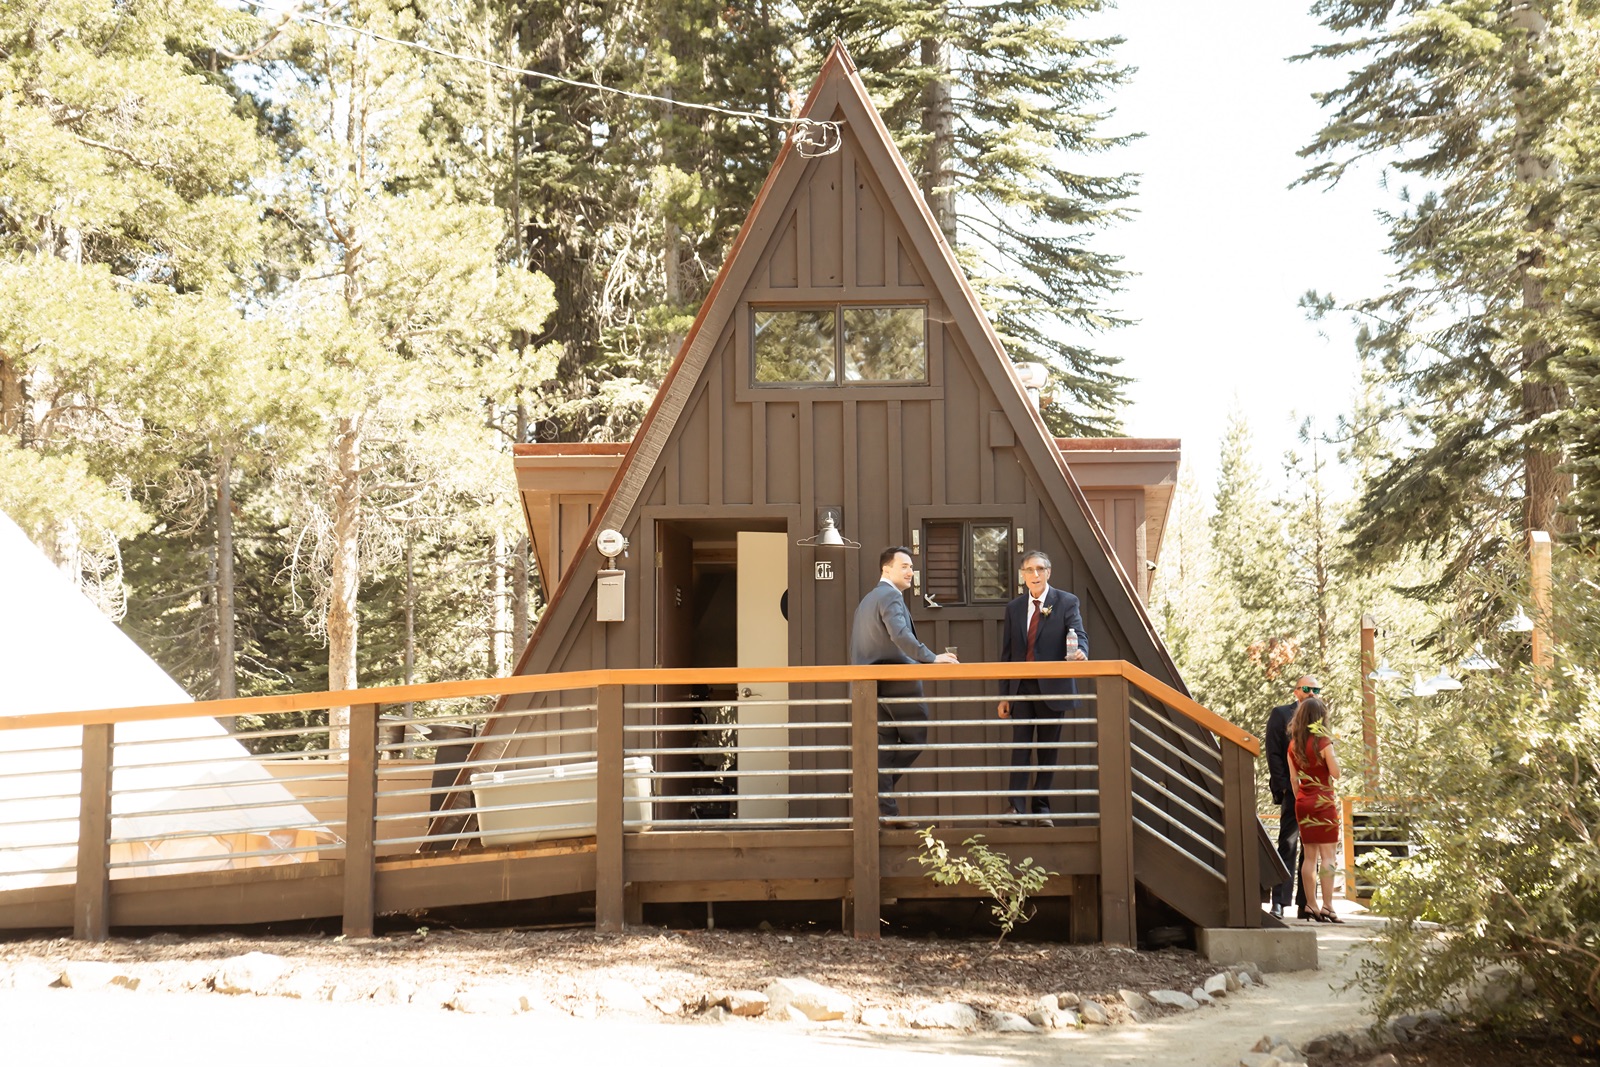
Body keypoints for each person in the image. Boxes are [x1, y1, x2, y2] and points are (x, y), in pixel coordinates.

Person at [850, 546, 958, 817]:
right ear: (886, 569)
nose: (911, 571)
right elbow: (900, 634)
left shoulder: (867, 601)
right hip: (897, 681)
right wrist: (931, 658)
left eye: (912, 567)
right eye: (905, 566)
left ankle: (884, 809)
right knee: (916, 738)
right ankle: (873, 786)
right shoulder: (890, 597)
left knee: (885, 745)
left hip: (869, 684)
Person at [996, 550, 1088, 821]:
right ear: (1022, 576)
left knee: (1048, 750)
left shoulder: (1066, 602)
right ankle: (1015, 807)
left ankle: (1041, 808)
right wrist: (1004, 695)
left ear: (1048, 572)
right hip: (1021, 688)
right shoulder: (1013, 608)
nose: (1034, 575)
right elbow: (1008, 653)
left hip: (1054, 687)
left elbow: (1078, 633)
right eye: (1028, 570)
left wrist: (1081, 650)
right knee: (1021, 747)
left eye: (1039, 569)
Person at [1265, 675, 1318, 919]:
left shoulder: (1321, 717)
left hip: (1317, 790)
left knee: (1312, 847)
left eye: (1316, 689)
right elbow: (1273, 753)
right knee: (1288, 844)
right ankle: (1279, 902)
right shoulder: (1280, 714)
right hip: (1292, 791)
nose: (1312, 693)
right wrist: (1285, 787)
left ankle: (1306, 904)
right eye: (1307, 688)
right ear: (1296, 691)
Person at [1288, 695, 1343, 922]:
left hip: (1303, 801)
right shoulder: (1324, 743)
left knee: (1309, 856)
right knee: (1328, 856)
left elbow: (1293, 779)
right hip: (1324, 800)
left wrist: (1301, 798)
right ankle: (1328, 906)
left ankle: (1310, 904)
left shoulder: (1293, 745)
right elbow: (1336, 773)